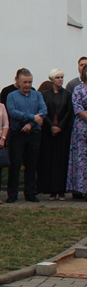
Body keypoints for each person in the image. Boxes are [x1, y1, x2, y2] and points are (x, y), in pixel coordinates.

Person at [5, 69, 47, 203]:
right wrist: (31, 117)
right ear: (18, 81)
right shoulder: (11, 96)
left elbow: (43, 111)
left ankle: (30, 193)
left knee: (32, 164)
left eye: (30, 82)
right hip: (18, 133)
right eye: (25, 82)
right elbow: (12, 112)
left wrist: (30, 123)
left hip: (33, 133)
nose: (28, 85)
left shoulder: (37, 95)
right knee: (15, 164)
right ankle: (12, 194)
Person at [39, 69, 73, 200]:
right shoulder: (44, 95)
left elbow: (69, 112)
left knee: (61, 160)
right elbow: (43, 111)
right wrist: (51, 126)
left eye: (62, 77)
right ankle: (51, 190)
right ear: (52, 79)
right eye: (57, 77)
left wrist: (59, 127)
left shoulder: (67, 94)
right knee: (50, 160)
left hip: (62, 132)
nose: (60, 80)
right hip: (48, 132)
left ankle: (61, 190)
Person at [67, 66, 87, 198]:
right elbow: (78, 108)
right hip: (82, 127)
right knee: (82, 158)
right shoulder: (78, 89)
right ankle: (81, 189)